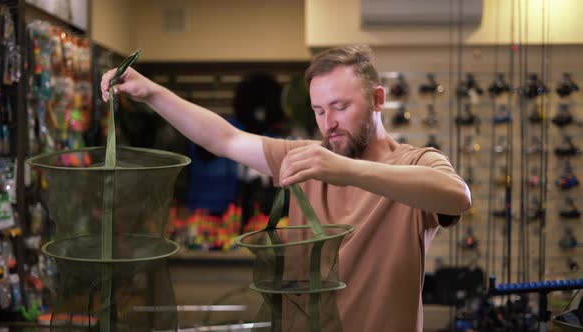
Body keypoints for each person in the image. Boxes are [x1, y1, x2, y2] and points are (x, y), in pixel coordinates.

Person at [101, 45, 471, 331]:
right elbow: (225, 139)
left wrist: (348, 171)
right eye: (319, 110)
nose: (329, 123)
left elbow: (457, 196)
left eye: (341, 107)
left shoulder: (415, 162)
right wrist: (151, 93)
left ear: (377, 99)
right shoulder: (306, 158)